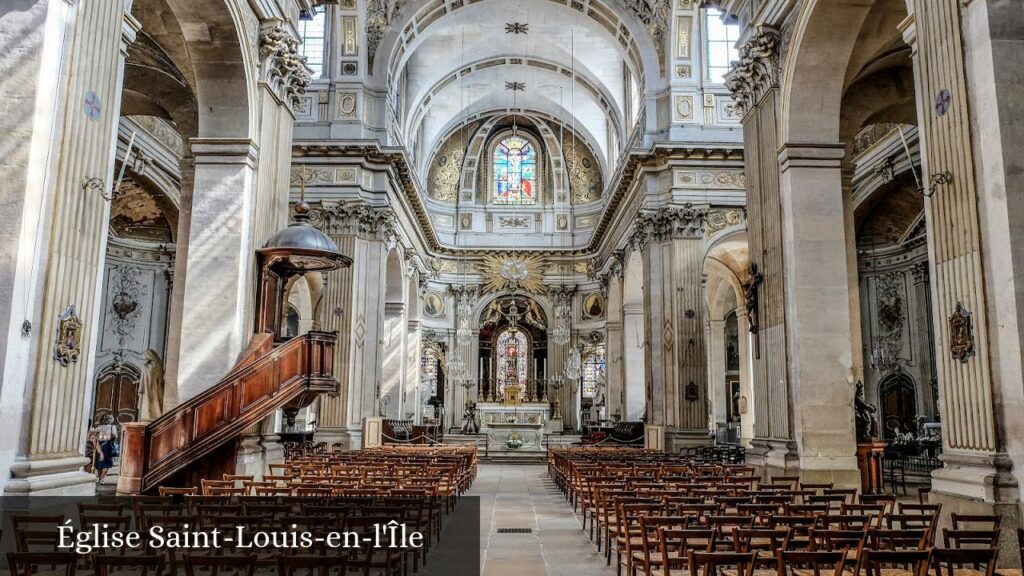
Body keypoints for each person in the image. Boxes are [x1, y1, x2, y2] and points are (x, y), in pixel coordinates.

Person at [94, 414, 118, 484]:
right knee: (106, 463)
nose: (113, 419)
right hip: (108, 445)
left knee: (99, 463)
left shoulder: (99, 426)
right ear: (109, 419)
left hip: (99, 444)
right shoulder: (112, 427)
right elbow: (115, 436)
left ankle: (100, 478)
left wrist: (100, 437)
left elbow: (94, 435)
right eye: (112, 418)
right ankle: (102, 479)